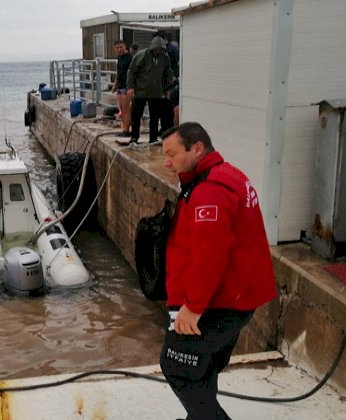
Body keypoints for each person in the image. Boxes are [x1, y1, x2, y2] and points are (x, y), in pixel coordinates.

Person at [159, 122, 277, 420]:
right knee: (205, 365)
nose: (167, 163)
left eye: (172, 154)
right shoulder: (229, 175)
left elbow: (210, 256)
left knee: (178, 367)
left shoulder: (211, 189)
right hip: (235, 297)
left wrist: (193, 307)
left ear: (197, 149)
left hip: (217, 302)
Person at [126, 36, 174, 144]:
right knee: (136, 115)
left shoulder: (165, 57)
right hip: (140, 90)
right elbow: (131, 71)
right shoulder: (141, 55)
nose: (159, 50)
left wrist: (167, 88)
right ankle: (134, 137)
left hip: (156, 92)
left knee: (155, 117)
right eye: (157, 48)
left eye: (161, 49)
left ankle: (153, 138)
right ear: (152, 47)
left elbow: (168, 74)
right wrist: (130, 87)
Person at [112, 40, 133, 137]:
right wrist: (115, 85)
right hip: (120, 86)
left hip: (127, 86)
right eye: (117, 48)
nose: (119, 49)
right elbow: (118, 72)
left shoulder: (130, 58)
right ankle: (124, 128)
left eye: (121, 47)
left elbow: (133, 73)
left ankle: (127, 130)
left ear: (125, 46)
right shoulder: (119, 58)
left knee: (126, 109)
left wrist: (132, 88)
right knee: (121, 109)